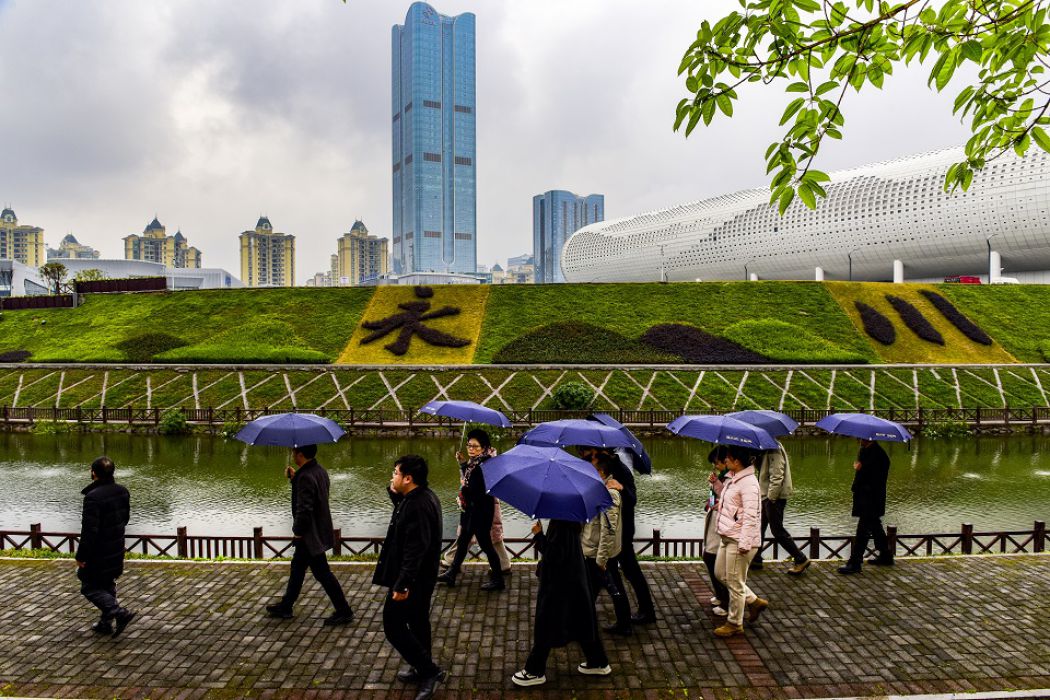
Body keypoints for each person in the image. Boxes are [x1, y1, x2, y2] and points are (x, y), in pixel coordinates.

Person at [374, 454, 445, 700]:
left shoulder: (418, 505)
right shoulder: (420, 496)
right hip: (420, 578)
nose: (392, 476)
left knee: (393, 625)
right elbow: (402, 509)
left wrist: (403, 583)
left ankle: (431, 671)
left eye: (395, 473)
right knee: (417, 622)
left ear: (408, 478)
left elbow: (416, 548)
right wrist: (394, 490)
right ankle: (422, 667)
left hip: (414, 580)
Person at [512, 519, 612, 687]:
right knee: (581, 621)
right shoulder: (570, 520)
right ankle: (598, 662)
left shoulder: (560, 523)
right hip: (574, 578)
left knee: (547, 624)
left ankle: (535, 670)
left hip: (559, 584)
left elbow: (555, 555)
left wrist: (538, 536)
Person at [265, 444, 354, 625]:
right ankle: (286, 605)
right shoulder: (319, 471)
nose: (292, 454)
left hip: (308, 534)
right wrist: (294, 478)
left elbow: (304, 509)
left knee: (322, 573)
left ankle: (344, 610)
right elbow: (312, 493)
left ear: (300, 454)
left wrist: (298, 532)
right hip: (317, 530)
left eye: (294, 452)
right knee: (297, 569)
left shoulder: (305, 476)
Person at [582, 447, 657, 625]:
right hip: (612, 530)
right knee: (609, 573)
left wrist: (621, 487)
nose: (587, 456)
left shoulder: (620, 469)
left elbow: (632, 499)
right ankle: (591, 615)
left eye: (588, 452)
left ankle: (644, 612)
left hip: (621, 532)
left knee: (628, 572)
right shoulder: (602, 466)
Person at [437, 429, 505, 591]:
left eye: (475, 446)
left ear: (484, 447)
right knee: (463, 542)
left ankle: (498, 579)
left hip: (480, 512)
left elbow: (476, 490)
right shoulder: (474, 463)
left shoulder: (485, 465)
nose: (471, 449)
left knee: (486, 545)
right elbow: (468, 479)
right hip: (470, 510)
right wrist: (462, 464)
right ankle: (452, 573)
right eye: (469, 445)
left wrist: (464, 491)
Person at [713, 445, 769, 638]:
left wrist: (745, 544)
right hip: (727, 535)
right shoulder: (733, 478)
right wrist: (717, 492)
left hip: (740, 540)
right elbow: (731, 504)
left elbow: (751, 517)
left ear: (737, 461)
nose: (724, 461)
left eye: (727, 458)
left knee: (735, 582)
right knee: (721, 574)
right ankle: (753, 601)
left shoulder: (749, 484)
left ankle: (735, 622)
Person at [76, 456, 135, 637]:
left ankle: (119, 612)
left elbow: (89, 531)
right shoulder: (122, 491)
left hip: (98, 551)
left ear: (93, 473)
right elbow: (125, 519)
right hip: (116, 546)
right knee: (107, 583)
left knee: (89, 585)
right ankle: (105, 623)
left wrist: (81, 556)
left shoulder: (93, 498)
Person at [582, 452, 632, 635]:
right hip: (593, 551)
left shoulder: (610, 494)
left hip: (599, 553)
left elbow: (608, 530)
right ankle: (622, 623)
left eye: (593, 466)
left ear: (601, 471)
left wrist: (601, 559)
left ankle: (623, 624)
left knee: (612, 588)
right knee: (602, 588)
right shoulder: (599, 488)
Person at [754, 441, 811, 575]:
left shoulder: (774, 448)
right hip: (766, 495)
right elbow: (764, 470)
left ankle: (800, 558)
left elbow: (777, 474)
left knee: (777, 530)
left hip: (774, 497)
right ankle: (756, 559)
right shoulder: (766, 448)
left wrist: (771, 497)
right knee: (759, 526)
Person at [839, 438, 894, 574]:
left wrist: (861, 468)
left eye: (861, 438)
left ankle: (855, 562)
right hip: (865, 496)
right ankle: (886, 556)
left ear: (868, 438)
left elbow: (878, 477)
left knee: (862, 530)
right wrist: (860, 467)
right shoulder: (865, 451)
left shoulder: (879, 454)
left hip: (871, 498)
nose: (858, 440)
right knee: (875, 526)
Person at [704, 447, 731, 617]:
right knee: (710, 557)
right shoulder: (723, 476)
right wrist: (713, 486)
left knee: (713, 559)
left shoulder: (732, 477)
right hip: (715, 519)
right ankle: (721, 596)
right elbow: (717, 496)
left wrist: (716, 485)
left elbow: (728, 499)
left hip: (722, 523)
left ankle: (726, 600)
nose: (716, 466)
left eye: (717, 463)